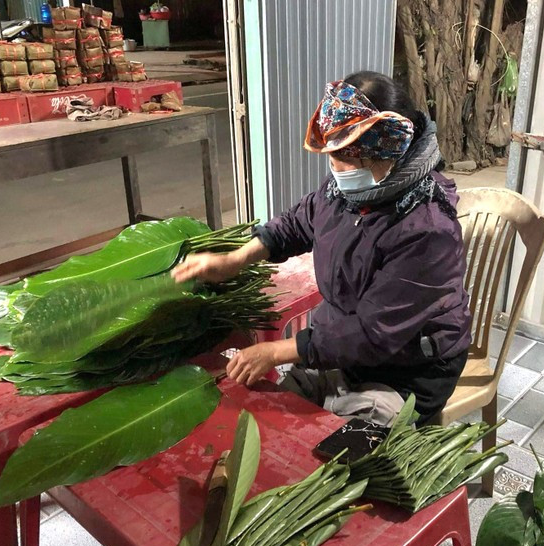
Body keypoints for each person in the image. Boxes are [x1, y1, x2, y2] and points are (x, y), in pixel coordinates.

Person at [172, 71, 472, 426]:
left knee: (341, 446)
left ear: (386, 153)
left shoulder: (427, 229)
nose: (337, 170)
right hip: (341, 345)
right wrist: (235, 260)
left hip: (405, 370)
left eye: (347, 159)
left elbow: (373, 335)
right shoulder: (353, 187)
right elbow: (300, 221)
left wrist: (277, 352)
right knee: (275, 420)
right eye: (333, 157)